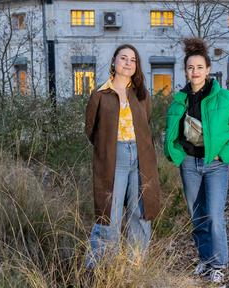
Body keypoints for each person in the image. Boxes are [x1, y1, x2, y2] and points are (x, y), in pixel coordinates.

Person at [164, 38, 229, 284]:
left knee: (213, 214)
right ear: (186, 71)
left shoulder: (226, 99)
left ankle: (220, 263)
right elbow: (170, 131)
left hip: (215, 165)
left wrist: (224, 155)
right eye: (191, 68)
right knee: (197, 215)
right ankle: (205, 258)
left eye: (200, 67)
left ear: (208, 69)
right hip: (189, 164)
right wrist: (176, 153)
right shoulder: (179, 99)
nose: (195, 72)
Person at [84, 44, 161, 269]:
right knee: (110, 213)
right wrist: (107, 149)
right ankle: (101, 269)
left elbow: (145, 122)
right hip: (113, 158)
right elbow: (91, 129)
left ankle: (134, 267)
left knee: (141, 211)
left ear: (136, 66)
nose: (128, 63)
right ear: (114, 62)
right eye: (123, 58)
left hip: (140, 156)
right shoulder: (100, 94)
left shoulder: (142, 94)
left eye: (133, 60)